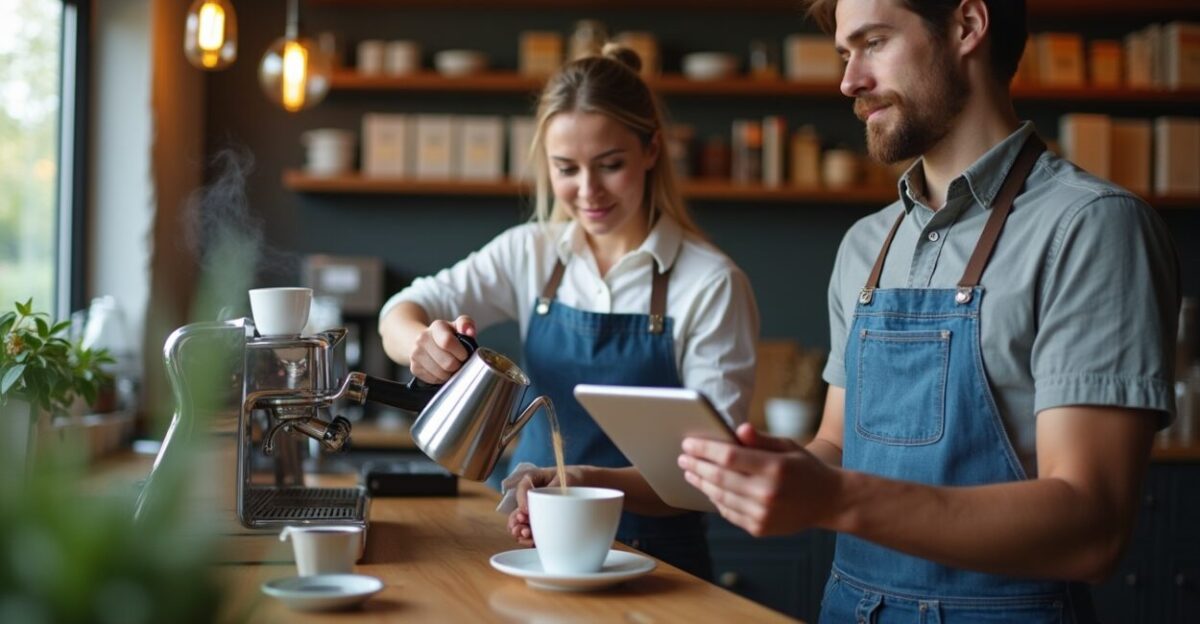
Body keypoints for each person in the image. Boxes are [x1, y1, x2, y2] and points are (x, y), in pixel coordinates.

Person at [677, 0, 1179, 620]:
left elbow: (1091, 528)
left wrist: (833, 498)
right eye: (844, 54)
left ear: (967, 26)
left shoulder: (1090, 227)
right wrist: (769, 470)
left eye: (873, 43)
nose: (848, 81)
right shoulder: (865, 244)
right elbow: (837, 445)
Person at [379, 44, 759, 580]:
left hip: (657, 562)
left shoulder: (711, 283)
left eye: (610, 165)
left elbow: (710, 473)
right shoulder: (530, 252)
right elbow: (400, 309)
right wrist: (420, 343)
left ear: (652, 149)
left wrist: (582, 482)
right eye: (566, 169)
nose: (588, 191)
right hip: (533, 544)